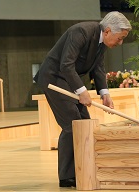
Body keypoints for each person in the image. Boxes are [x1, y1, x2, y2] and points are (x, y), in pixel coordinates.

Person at [33, 11, 132, 187]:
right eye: (120, 38)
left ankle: (84, 168)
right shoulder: (81, 32)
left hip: (69, 80)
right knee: (73, 125)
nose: (121, 42)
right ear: (108, 30)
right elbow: (66, 64)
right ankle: (67, 176)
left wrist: (104, 93)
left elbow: (99, 68)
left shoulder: (102, 42)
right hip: (54, 78)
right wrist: (82, 90)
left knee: (85, 123)